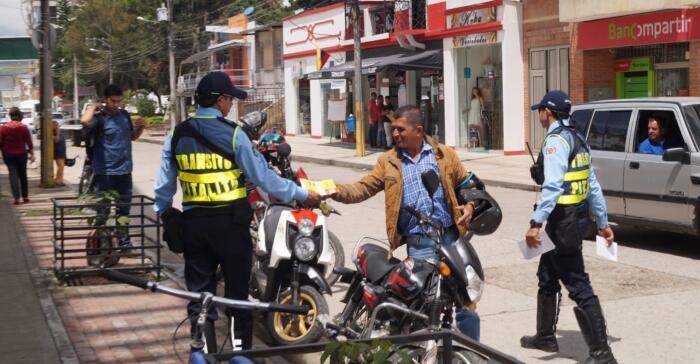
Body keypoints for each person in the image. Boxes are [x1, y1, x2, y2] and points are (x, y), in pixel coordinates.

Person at [153, 71, 321, 351]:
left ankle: (203, 351)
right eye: (230, 98)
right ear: (220, 101)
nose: (232, 104)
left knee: (200, 295)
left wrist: (165, 214)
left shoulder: (176, 135)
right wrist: (303, 193)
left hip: (194, 226)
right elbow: (266, 179)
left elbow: (163, 188)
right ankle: (240, 351)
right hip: (230, 227)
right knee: (237, 295)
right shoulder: (235, 136)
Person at [328, 105, 481, 340]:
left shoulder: (444, 155)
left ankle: (473, 352)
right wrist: (331, 190)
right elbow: (361, 188)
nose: (395, 134)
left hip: (450, 239)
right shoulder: (388, 161)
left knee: (466, 303)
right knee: (420, 308)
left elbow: (467, 185)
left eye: (400, 129)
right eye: (393, 129)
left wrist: (469, 205)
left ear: (418, 130)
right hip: (419, 245)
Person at [522, 90, 617, 364]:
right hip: (572, 220)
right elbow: (593, 186)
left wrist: (535, 223)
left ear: (547, 112)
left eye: (540, 110)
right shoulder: (578, 138)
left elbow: (552, 187)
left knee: (578, 284)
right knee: (547, 275)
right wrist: (602, 222)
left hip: (562, 221)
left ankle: (602, 353)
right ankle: (545, 336)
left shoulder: (555, 141)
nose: (539, 114)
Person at [80, 84, 146, 249]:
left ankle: (124, 242)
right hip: (105, 171)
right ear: (105, 99)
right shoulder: (99, 118)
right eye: (112, 101)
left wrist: (141, 128)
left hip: (125, 170)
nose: (116, 104)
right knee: (103, 211)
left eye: (119, 101)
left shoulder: (124, 115)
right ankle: (101, 243)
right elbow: (84, 121)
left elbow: (132, 137)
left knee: (124, 210)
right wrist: (94, 106)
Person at [0, 107, 34, 204]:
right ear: (19, 115)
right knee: (23, 175)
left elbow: (0, 142)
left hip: (8, 155)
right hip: (21, 154)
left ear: (10, 116)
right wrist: (32, 154)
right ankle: (25, 197)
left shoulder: (4, 127)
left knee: (13, 175)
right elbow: (29, 142)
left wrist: (3, 151)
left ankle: (16, 198)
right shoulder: (23, 127)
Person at [53, 120, 66, 186]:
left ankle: (60, 180)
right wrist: (57, 131)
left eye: (57, 125)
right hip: (58, 152)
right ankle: (58, 181)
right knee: (60, 166)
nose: (57, 126)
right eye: (55, 125)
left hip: (62, 152)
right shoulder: (54, 135)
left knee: (62, 167)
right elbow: (57, 140)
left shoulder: (59, 133)